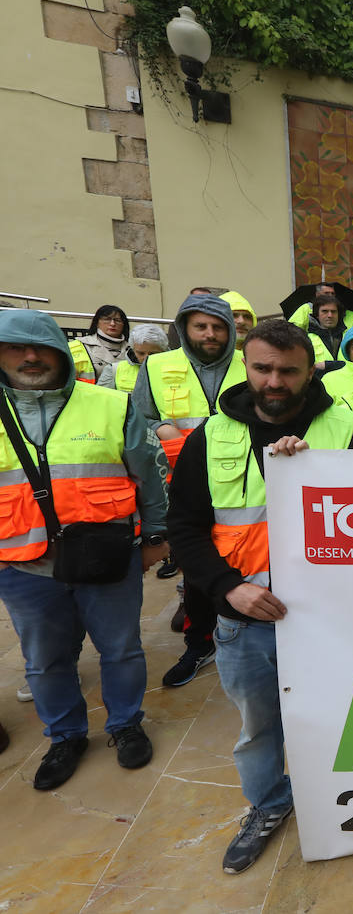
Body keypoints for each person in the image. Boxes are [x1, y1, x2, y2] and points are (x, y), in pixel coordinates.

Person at [167, 320, 353, 874]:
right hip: (245, 618)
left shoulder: (345, 428)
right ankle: (267, 806)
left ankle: (344, 802)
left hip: (331, 620)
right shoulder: (210, 437)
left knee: (342, 718)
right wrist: (228, 587)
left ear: (310, 372)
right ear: (247, 368)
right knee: (259, 726)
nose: (274, 380)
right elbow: (184, 527)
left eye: (287, 370)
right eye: (263, 368)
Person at [0, 310, 169, 790]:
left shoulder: (111, 404)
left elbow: (149, 473)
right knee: (45, 660)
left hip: (108, 555)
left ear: (62, 353)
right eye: (16, 347)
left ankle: (125, 725)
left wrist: (157, 537)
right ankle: (65, 736)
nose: (31, 358)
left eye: (42, 349)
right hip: (22, 566)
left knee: (120, 650)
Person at [133, 294, 246, 683]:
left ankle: (247, 636)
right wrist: (159, 427)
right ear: (184, 329)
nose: (210, 334)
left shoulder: (250, 361)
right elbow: (137, 419)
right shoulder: (158, 366)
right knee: (196, 568)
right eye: (201, 326)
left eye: (218, 327)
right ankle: (199, 644)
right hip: (186, 482)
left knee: (247, 562)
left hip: (243, 483)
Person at [99, 323, 168, 393]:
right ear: (132, 350)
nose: (146, 358)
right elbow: (101, 400)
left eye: (153, 354)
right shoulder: (114, 370)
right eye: (141, 353)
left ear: (164, 350)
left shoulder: (176, 368)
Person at [74, 305, 129, 380]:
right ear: (97, 322)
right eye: (107, 319)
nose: (112, 324)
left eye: (117, 320)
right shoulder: (79, 345)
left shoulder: (133, 349)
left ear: (124, 325)